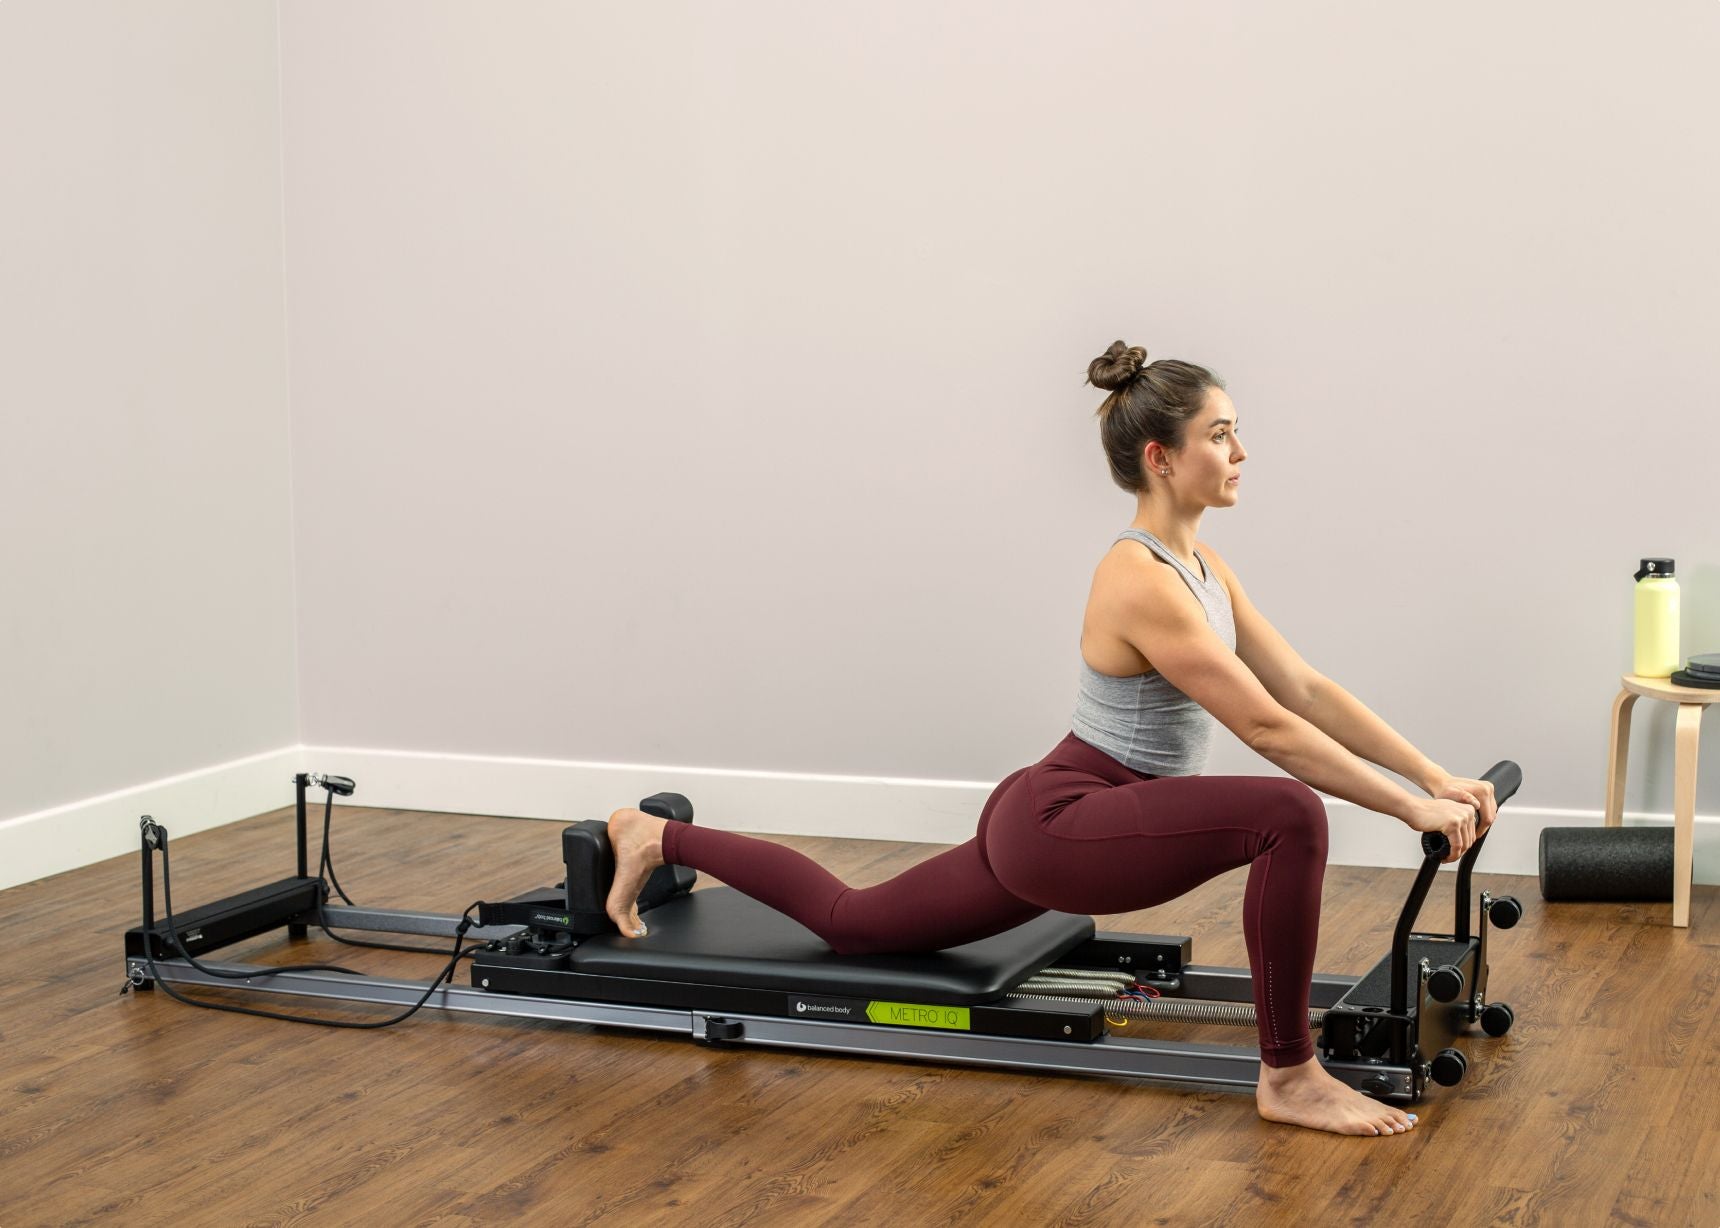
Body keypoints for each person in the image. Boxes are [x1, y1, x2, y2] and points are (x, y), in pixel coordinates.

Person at [601, 340, 1498, 1137]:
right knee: (1287, 815)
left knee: (851, 924)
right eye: (1221, 434)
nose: (1242, 451)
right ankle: (1290, 1075)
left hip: (1054, 811)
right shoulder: (1137, 577)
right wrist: (1406, 807)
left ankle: (655, 835)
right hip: (1067, 818)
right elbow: (1265, 725)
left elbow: (1301, 687)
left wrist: (1433, 775)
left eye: (1237, 431)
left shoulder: (1202, 564)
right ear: (1162, 456)